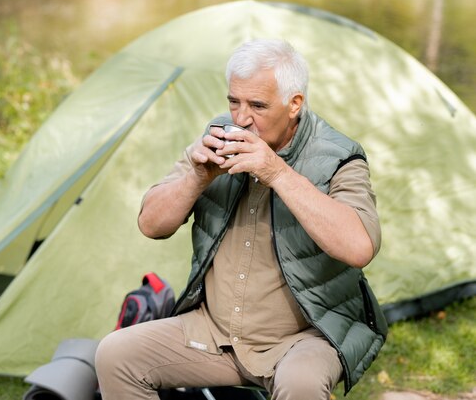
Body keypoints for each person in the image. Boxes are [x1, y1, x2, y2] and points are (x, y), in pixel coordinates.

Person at [95, 38, 387, 400]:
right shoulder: (219, 136)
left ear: (294, 103)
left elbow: (359, 247)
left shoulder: (340, 156)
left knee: (301, 384)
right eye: (234, 101)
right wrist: (198, 178)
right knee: (115, 355)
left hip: (303, 337)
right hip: (214, 331)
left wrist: (277, 172)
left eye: (258, 105)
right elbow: (151, 224)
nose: (242, 118)